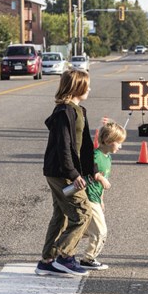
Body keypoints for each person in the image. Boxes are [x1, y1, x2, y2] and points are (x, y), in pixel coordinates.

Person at [36, 69, 95, 277]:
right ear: (77, 87)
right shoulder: (64, 113)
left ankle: (47, 260)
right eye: (86, 85)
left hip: (64, 171)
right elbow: (63, 146)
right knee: (82, 213)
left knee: (60, 215)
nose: (89, 88)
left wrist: (91, 171)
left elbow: (85, 145)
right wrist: (73, 174)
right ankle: (64, 256)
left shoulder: (80, 111)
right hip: (61, 172)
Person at [75, 120, 126, 271]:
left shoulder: (108, 158)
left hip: (96, 199)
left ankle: (63, 247)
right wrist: (100, 177)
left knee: (84, 229)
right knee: (101, 231)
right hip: (88, 198)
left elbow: (102, 185)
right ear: (107, 141)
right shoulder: (95, 155)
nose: (120, 146)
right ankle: (88, 258)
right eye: (118, 142)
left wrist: (102, 201)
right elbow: (90, 169)